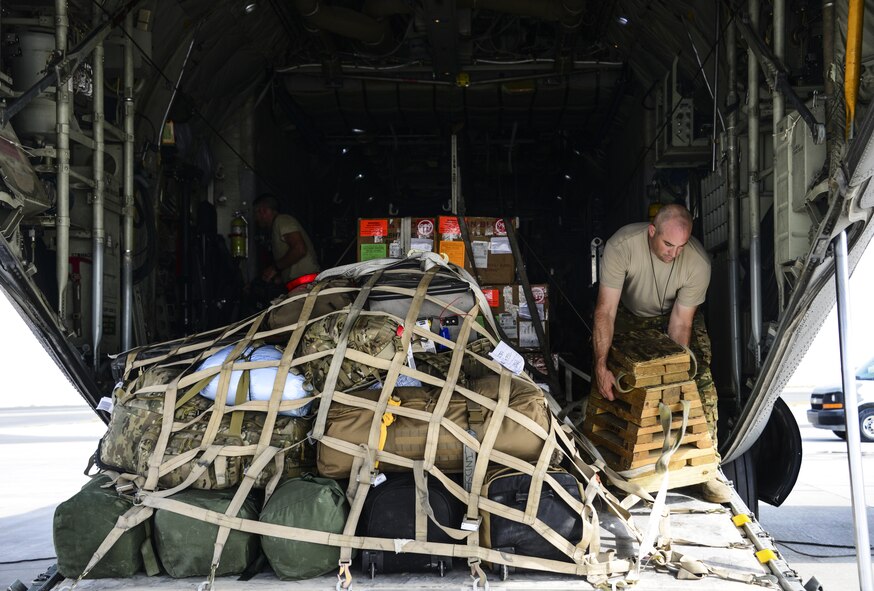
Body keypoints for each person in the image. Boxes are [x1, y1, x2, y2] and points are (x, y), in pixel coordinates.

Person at [591, 203, 732, 503]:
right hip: (628, 315)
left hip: (670, 318)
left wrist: (673, 375)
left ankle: (708, 469)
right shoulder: (622, 245)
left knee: (699, 380)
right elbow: (606, 311)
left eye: (680, 246)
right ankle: (615, 463)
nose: (673, 253)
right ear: (652, 231)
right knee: (620, 378)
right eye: (668, 244)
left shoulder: (697, 263)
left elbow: (681, 323)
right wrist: (601, 366)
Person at [252, 193, 320, 287]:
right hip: (299, 284)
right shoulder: (276, 228)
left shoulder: (282, 220)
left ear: (263, 211)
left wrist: (274, 268)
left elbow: (300, 249)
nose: (255, 219)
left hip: (306, 283)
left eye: (255, 213)